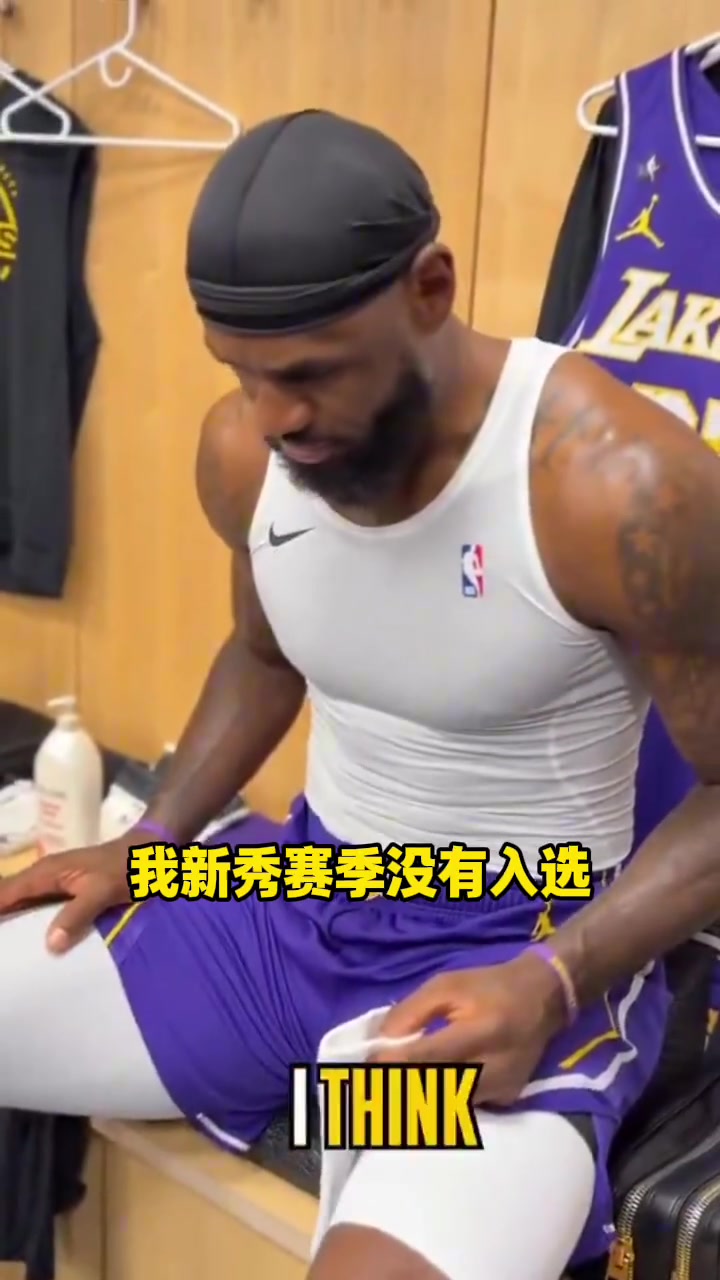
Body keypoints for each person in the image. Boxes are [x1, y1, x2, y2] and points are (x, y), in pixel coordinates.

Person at [1, 109, 720, 1280]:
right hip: (292, 891)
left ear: (431, 288)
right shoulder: (248, 452)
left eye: (308, 374)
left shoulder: (620, 488)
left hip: (507, 950)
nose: (275, 417)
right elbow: (262, 654)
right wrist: (155, 836)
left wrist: (553, 981)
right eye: (241, 373)